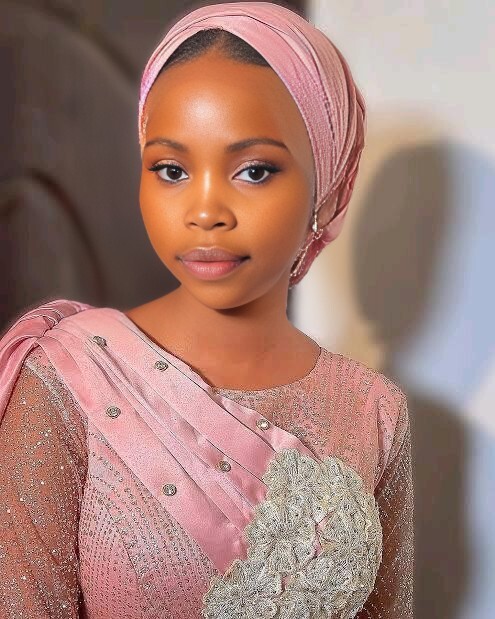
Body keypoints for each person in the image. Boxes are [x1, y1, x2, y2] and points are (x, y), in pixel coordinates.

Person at [0, 2, 413, 618]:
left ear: (327, 189)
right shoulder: (69, 379)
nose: (204, 212)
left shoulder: (373, 410)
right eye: (171, 170)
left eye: (254, 171)